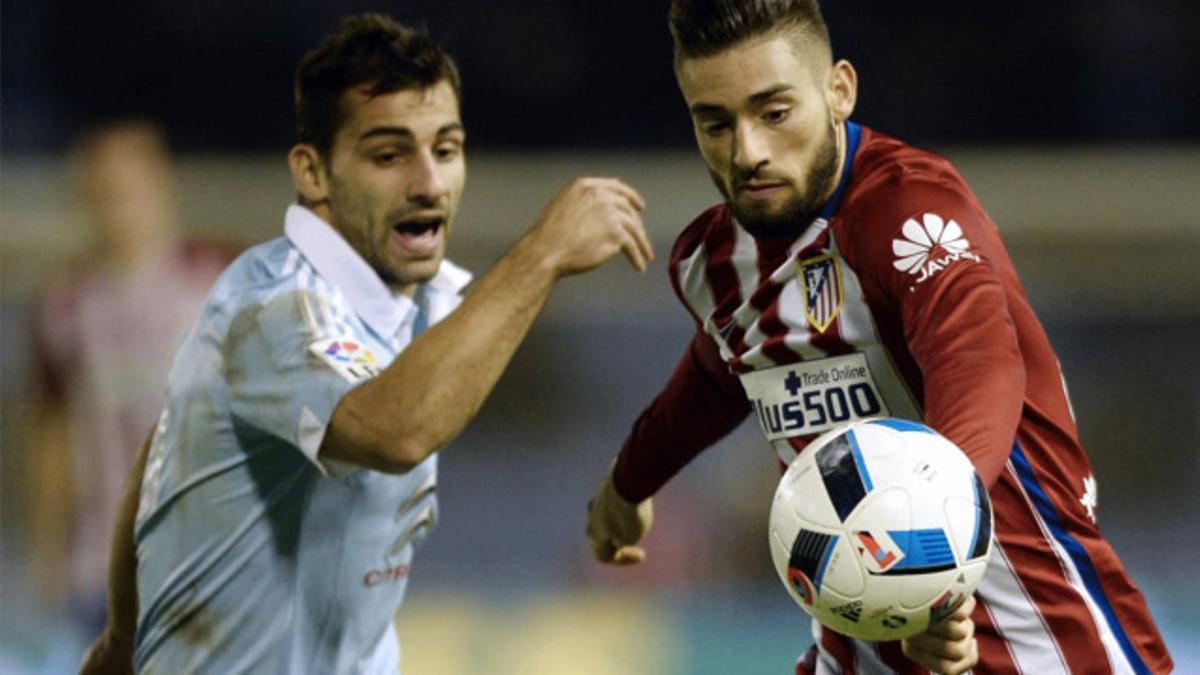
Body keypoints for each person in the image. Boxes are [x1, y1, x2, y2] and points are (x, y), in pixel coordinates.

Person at [584, 1, 1173, 674]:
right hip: (862, 656)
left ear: (839, 90)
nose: (748, 151)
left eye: (775, 113)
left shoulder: (908, 208)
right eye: (716, 123)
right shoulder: (712, 263)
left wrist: (934, 555)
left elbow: (979, 363)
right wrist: (628, 482)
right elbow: (724, 373)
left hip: (1049, 648)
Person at [80, 13, 652, 674]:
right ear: (313, 172)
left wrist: (121, 639)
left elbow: (161, 446)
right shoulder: (276, 308)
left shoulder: (423, 304)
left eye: (446, 149)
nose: (429, 182)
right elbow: (395, 428)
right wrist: (543, 251)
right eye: (388, 154)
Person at [27, 120, 229, 657]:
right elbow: (53, 435)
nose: (119, 207)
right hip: (101, 567)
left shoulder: (220, 282)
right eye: (104, 193)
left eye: (130, 189)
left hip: (209, 559)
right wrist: (48, 550)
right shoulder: (64, 307)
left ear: (162, 186)